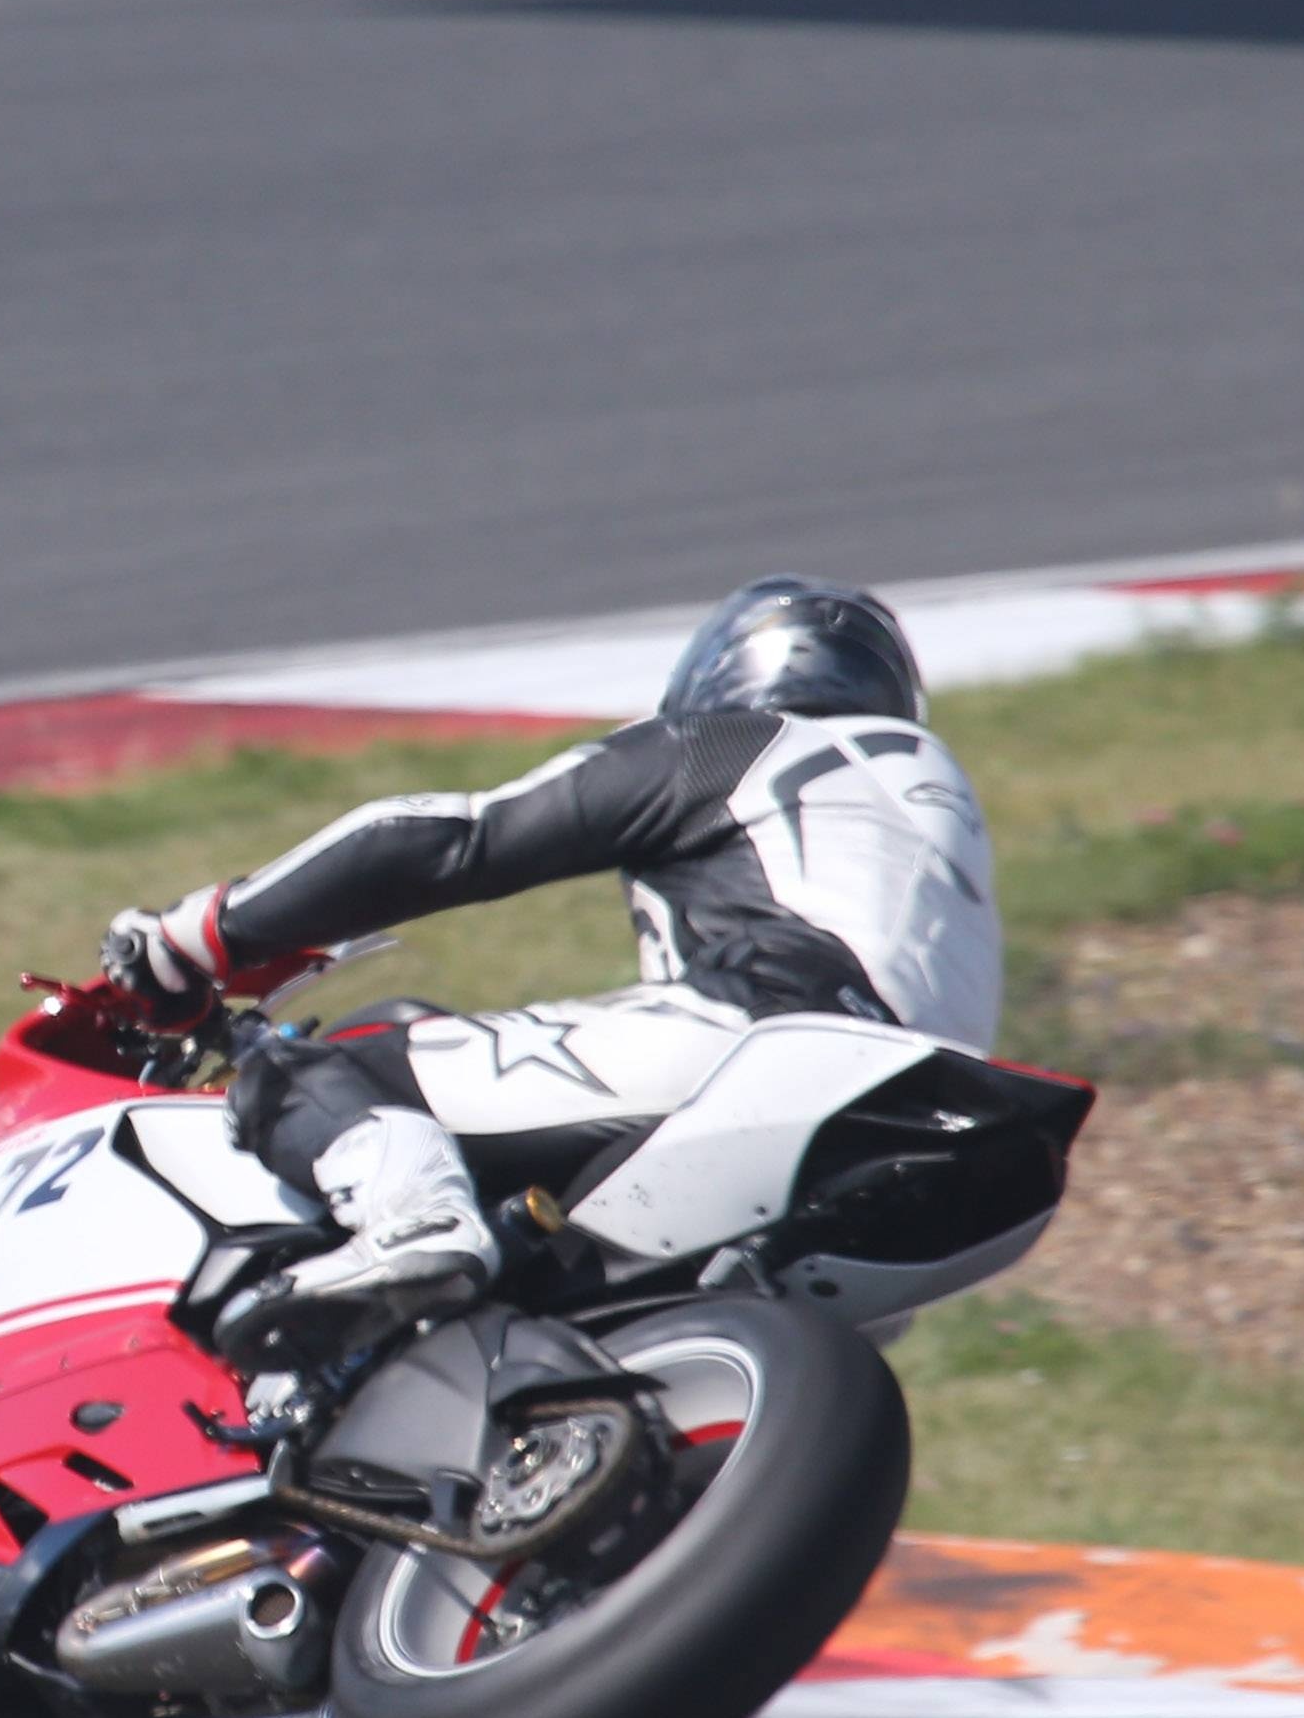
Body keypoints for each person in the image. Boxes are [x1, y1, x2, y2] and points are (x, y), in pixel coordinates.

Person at [97, 575, 999, 1355]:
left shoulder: (745, 743)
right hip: (921, 1131)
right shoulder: (940, 822)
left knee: (319, 1068)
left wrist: (200, 934)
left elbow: (449, 842)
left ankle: (413, 1221)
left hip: (760, 1041)